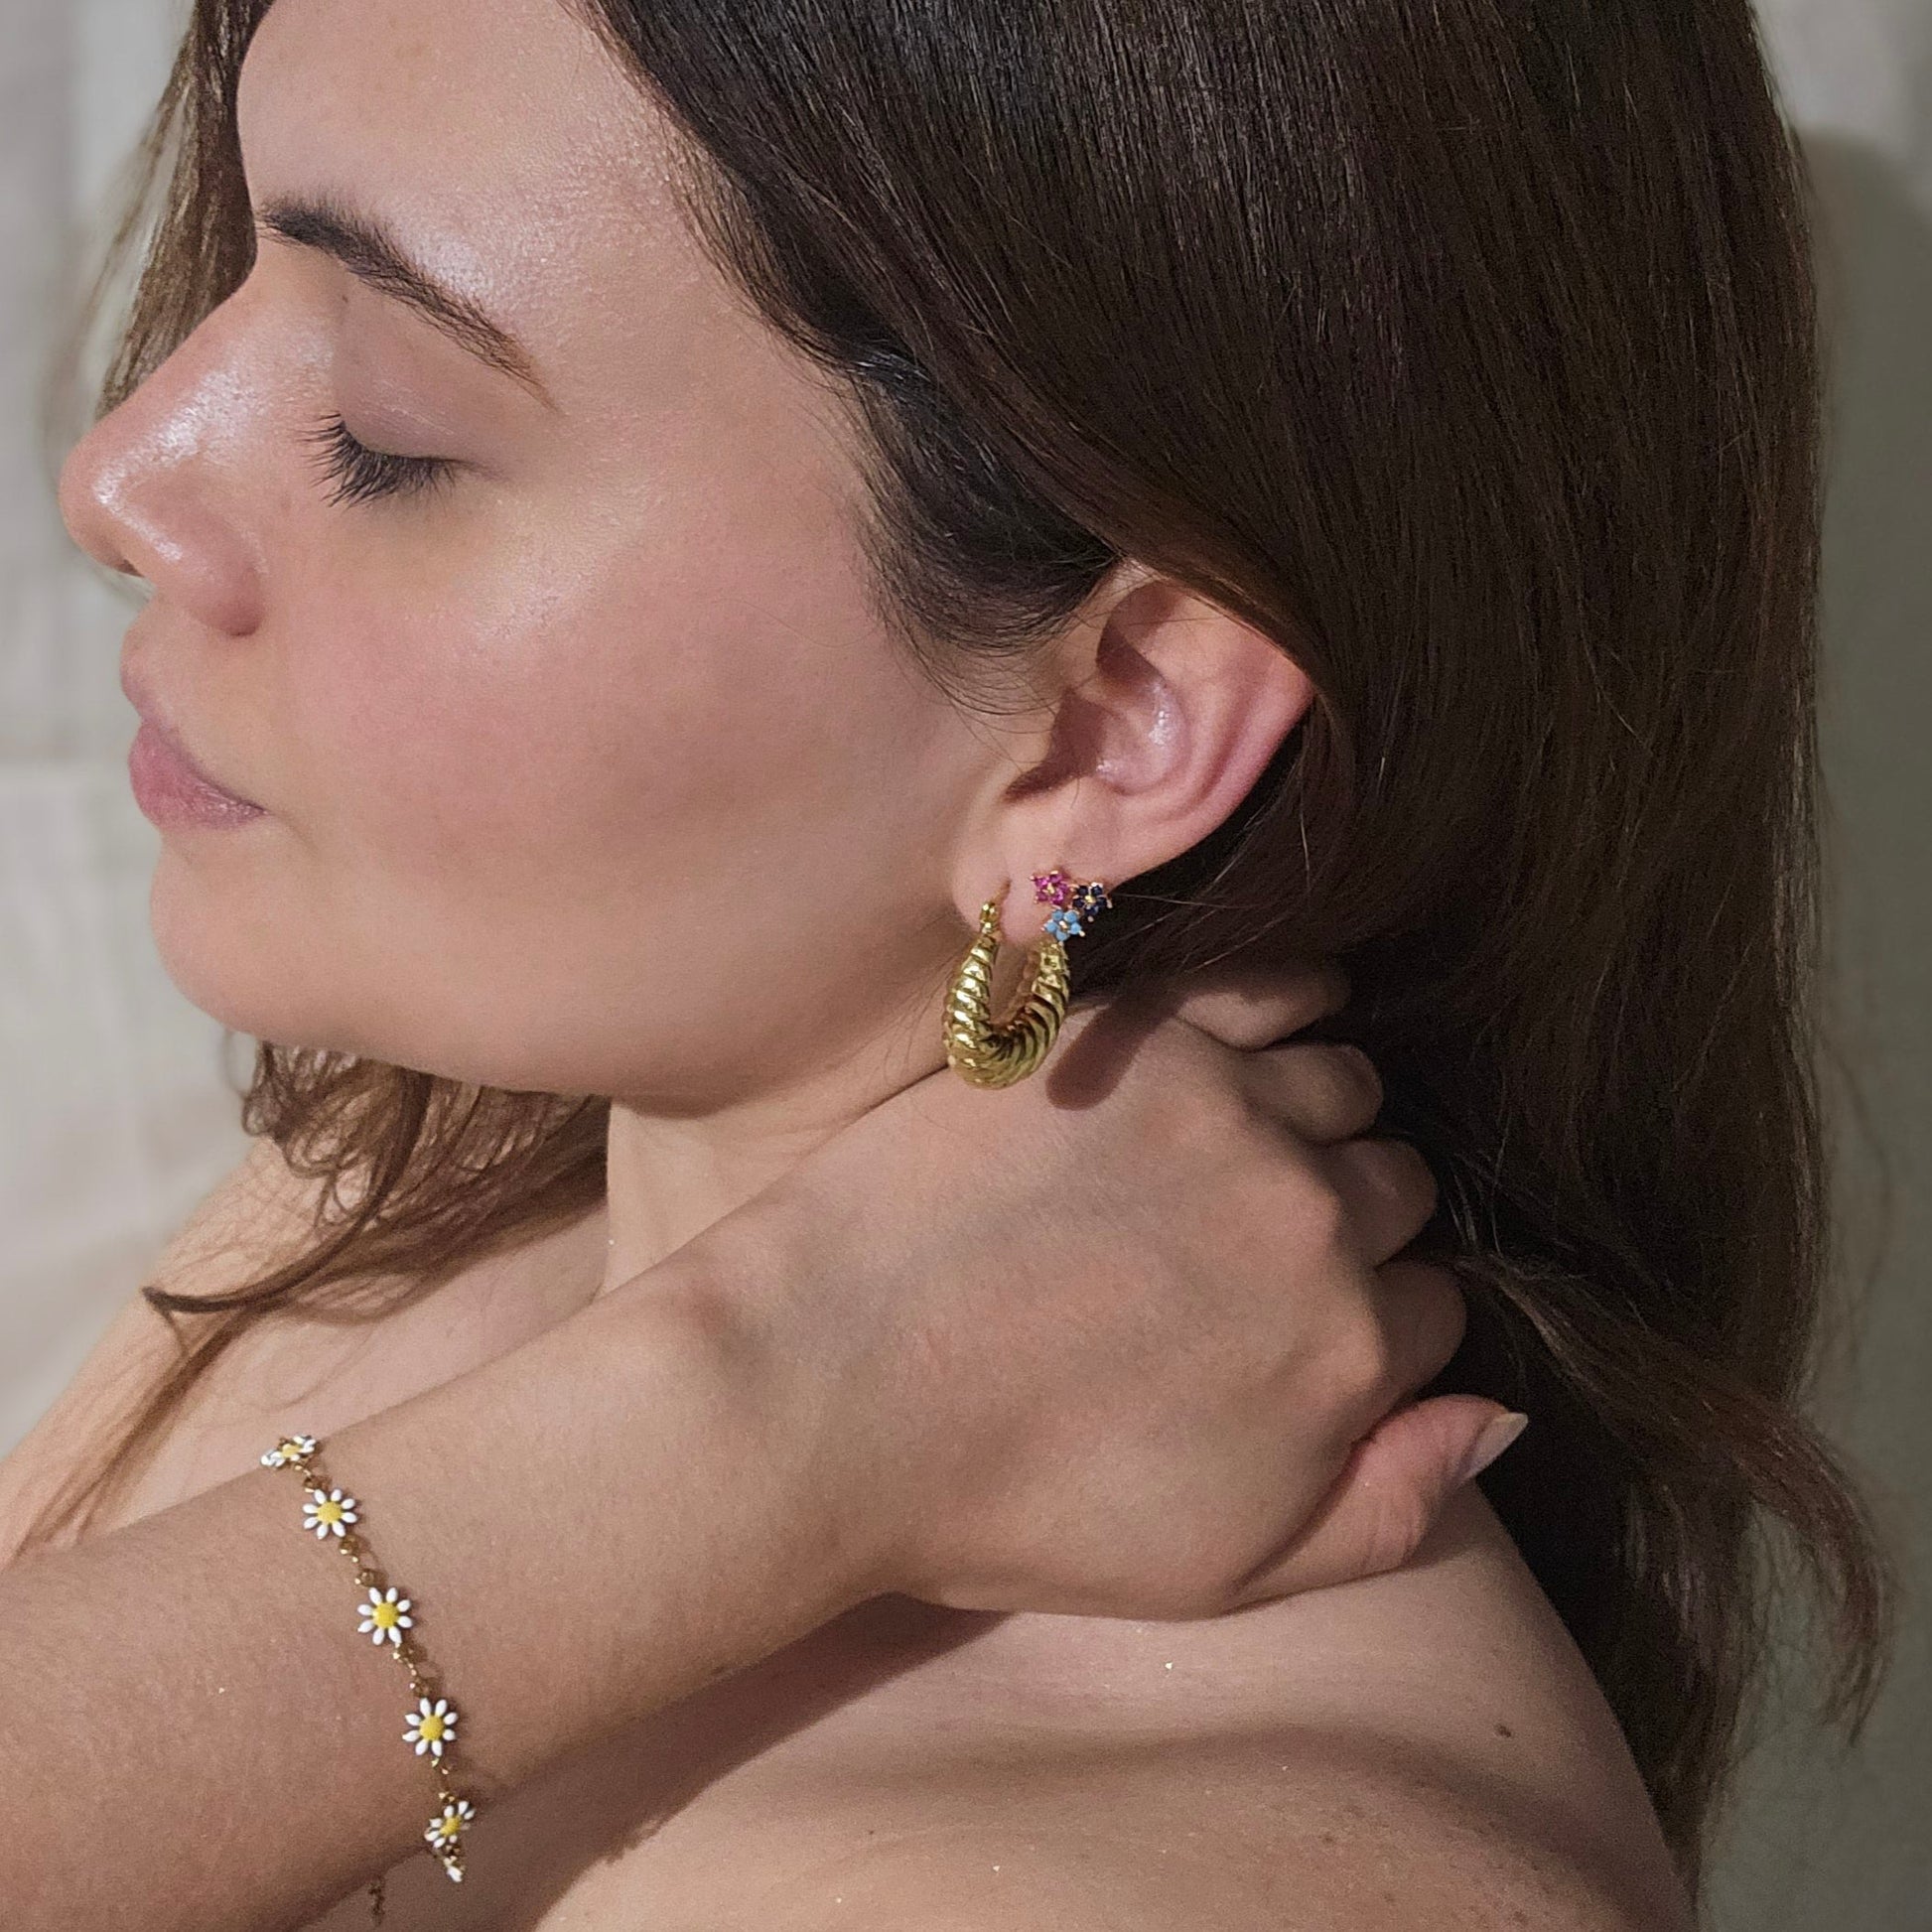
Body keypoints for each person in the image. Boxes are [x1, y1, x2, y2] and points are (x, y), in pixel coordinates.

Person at [0, 0, 1896, 1925]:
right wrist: (782, 1405)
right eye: (243, 259)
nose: (120, 476)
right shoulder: (441, 1196)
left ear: (1112, 723)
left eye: (387, 433)